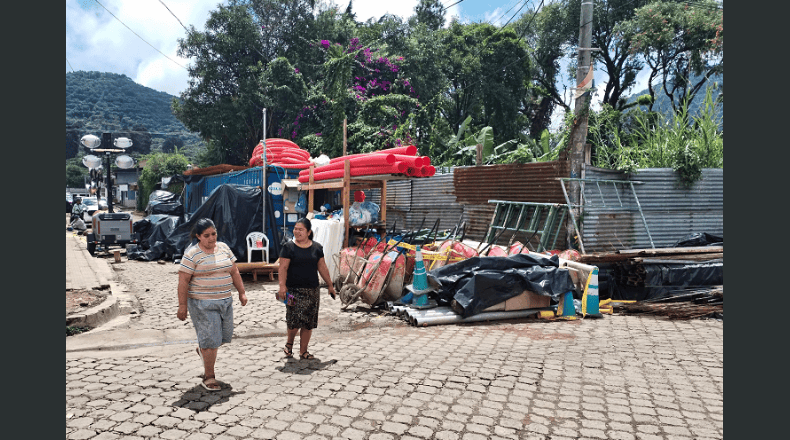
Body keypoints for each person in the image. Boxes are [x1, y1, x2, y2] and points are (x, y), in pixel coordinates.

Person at [177, 218, 248, 391]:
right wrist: (182, 305)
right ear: (198, 236)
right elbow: (183, 281)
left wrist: (241, 292)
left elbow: (234, 271)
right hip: (202, 303)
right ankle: (209, 377)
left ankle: (203, 350)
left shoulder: (223, 248)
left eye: (214, 234)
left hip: (225, 301)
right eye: (206, 235)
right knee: (210, 340)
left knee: (221, 336)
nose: (211, 238)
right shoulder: (192, 254)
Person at [277, 217, 337, 360]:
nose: (297, 232)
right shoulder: (288, 247)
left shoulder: (317, 248)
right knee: (293, 320)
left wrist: (330, 285)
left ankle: (303, 351)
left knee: (308, 322)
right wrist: (282, 286)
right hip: (293, 290)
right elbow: (283, 268)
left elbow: (322, 267)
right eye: (295, 229)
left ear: (308, 232)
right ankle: (289, 343)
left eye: (300, 229)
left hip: (312, 291)